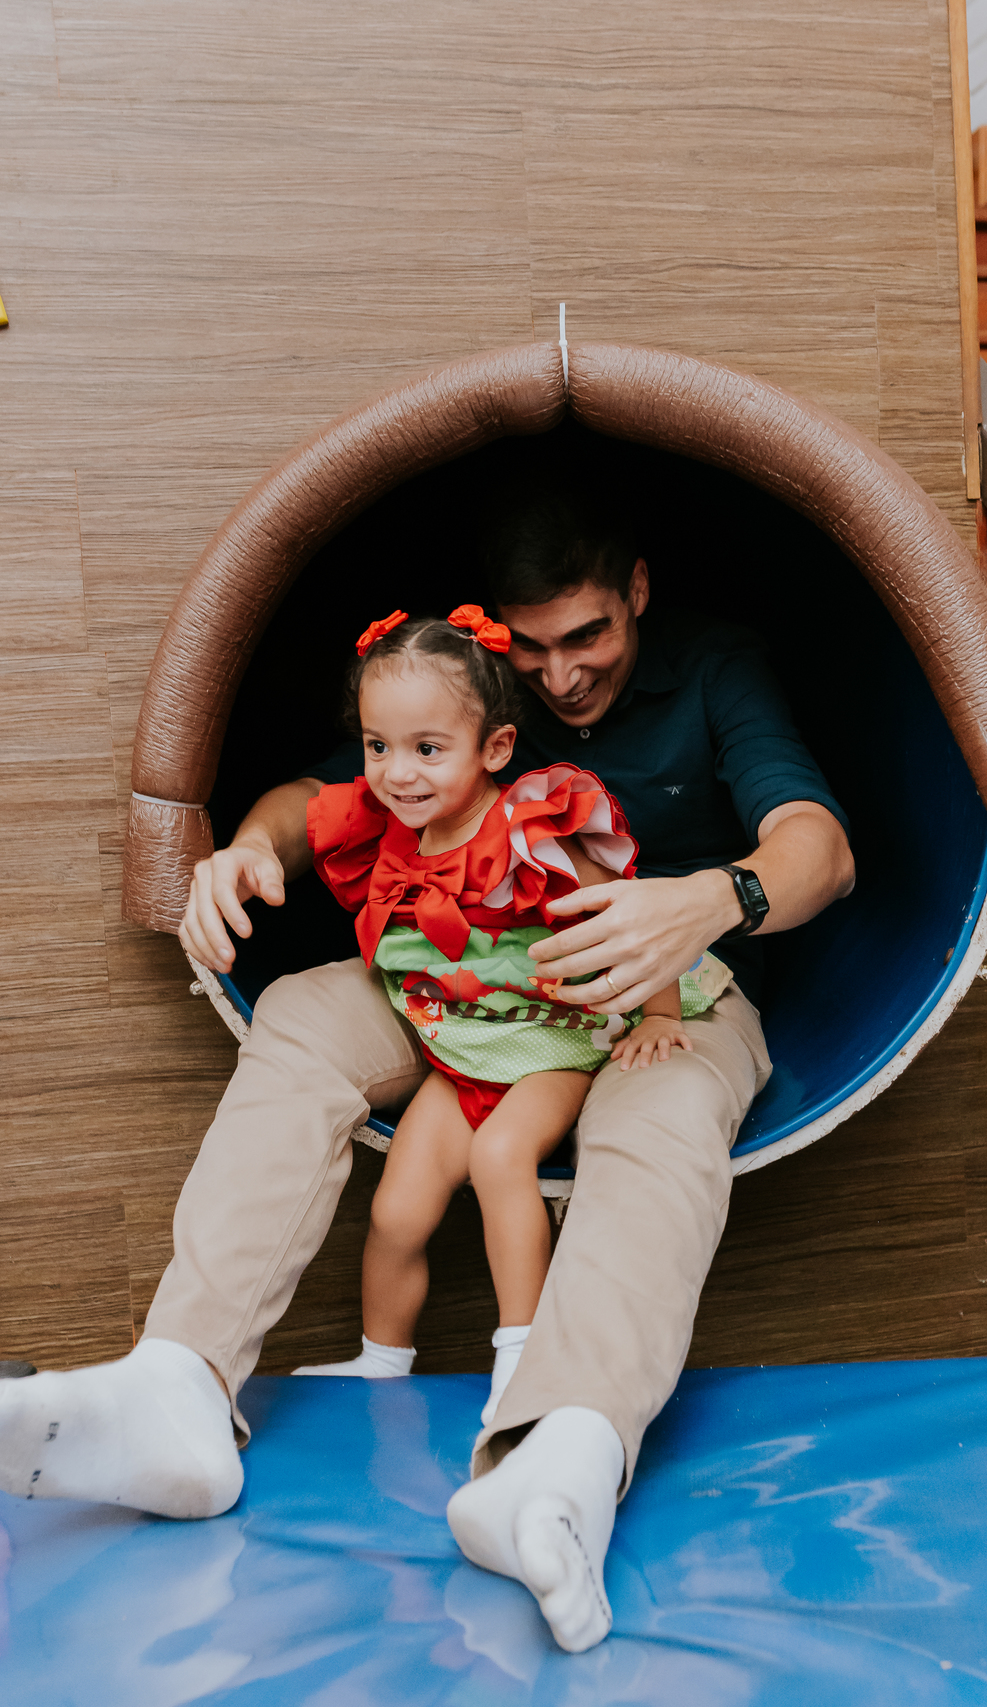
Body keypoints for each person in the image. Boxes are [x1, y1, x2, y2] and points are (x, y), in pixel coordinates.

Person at [0, 485, 854, 1656]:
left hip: (658, 987)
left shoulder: (715, 668)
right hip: (471, 970)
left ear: (638, 594)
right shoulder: (477, 686)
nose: (561, 677)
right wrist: (249, 850)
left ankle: (559, 1453)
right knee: (305, 1011)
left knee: (657, 1119)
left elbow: (823, 848)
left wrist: (710, 902)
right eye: (534, 647)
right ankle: (180, 1385)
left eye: (589, 637)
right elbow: (320, 796)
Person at [291, 605, 729, 1425]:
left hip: (555, 1035)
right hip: (466, 1047)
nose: (399, 773)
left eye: (427, 750)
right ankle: (380, 1362)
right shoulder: (391, 826)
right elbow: (308, 810)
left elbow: (625, 912)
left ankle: (524, 1359)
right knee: (396, 1209)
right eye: (378, 746)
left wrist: (661, 1012)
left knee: (500, 1158)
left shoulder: (527, 827)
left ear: (494, 748)